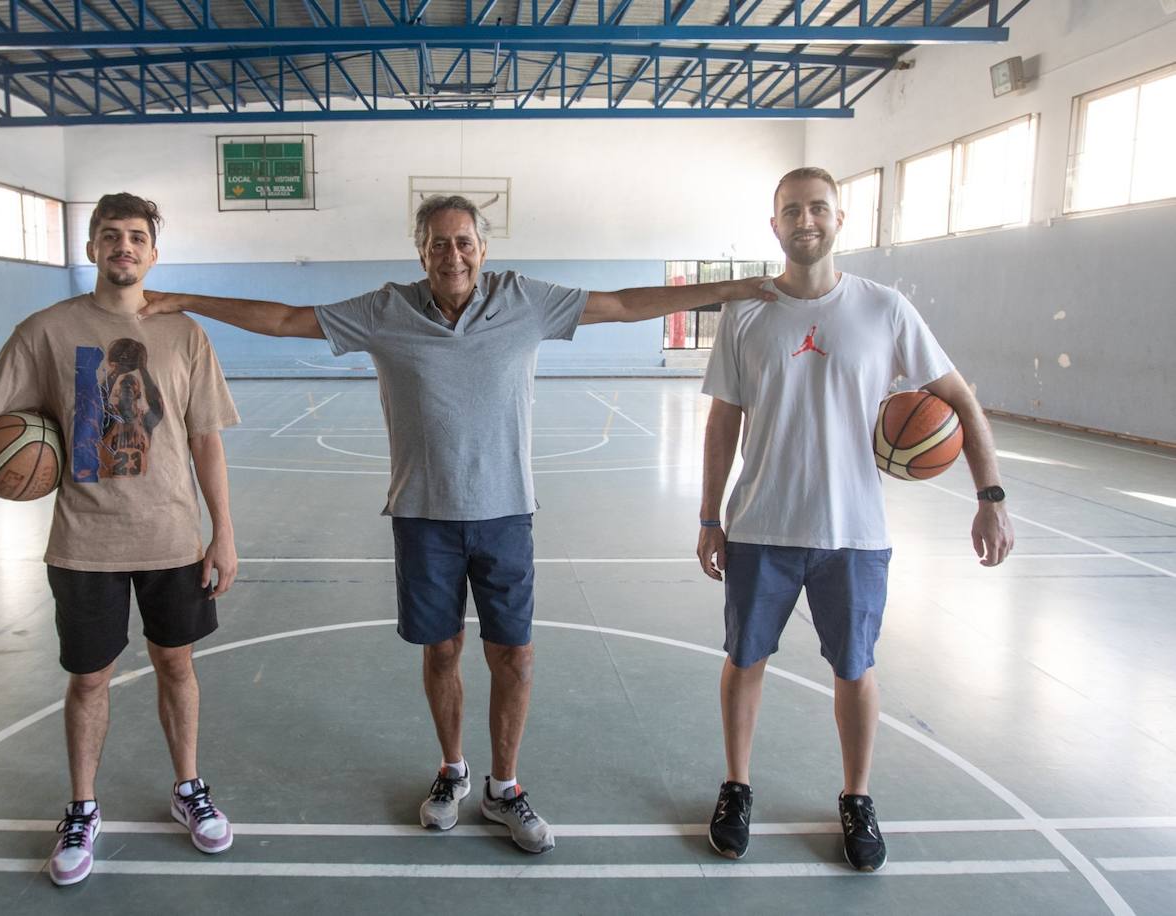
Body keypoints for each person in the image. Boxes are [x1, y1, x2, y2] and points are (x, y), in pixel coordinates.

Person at [142, 194, 773, 854]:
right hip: (423, 518)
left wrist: (733, 286)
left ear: (484, 248)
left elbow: (620, 304)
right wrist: (186, 298)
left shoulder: (524, 300)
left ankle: (505, 787)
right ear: (422, 252)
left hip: (506, 516)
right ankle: (453, 770)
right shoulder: (387, 311)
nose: (453, 254)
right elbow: (285, 317)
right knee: (441, 651)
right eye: (439, 243)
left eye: (464, 241)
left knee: (516, 658)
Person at [696, 167, 1015, 871]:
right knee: (744, 661)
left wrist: (989, 496)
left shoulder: (885, 308)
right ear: (773, 224)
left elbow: (960, 399)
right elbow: (723, 421)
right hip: (759, 527)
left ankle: (857, 797)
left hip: (855, 535)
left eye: (818, 208)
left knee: (855, 668)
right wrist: (709, 515)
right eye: (791, 210)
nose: (805, 220)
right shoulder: (745, 312)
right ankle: (737, 786)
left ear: (840, 219)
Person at [0, 193, 241, 886]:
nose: (123, 246)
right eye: (109, 236)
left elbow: (205, 439)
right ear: (93, 249)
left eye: (136, 237)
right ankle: (82, 806)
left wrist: (223, 533)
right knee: (89, 679)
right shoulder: (46, 330)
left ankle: (188, 787)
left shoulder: (186, 334)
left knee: (177, 668)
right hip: (84, 544)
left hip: (174, 540)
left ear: (153, 254)